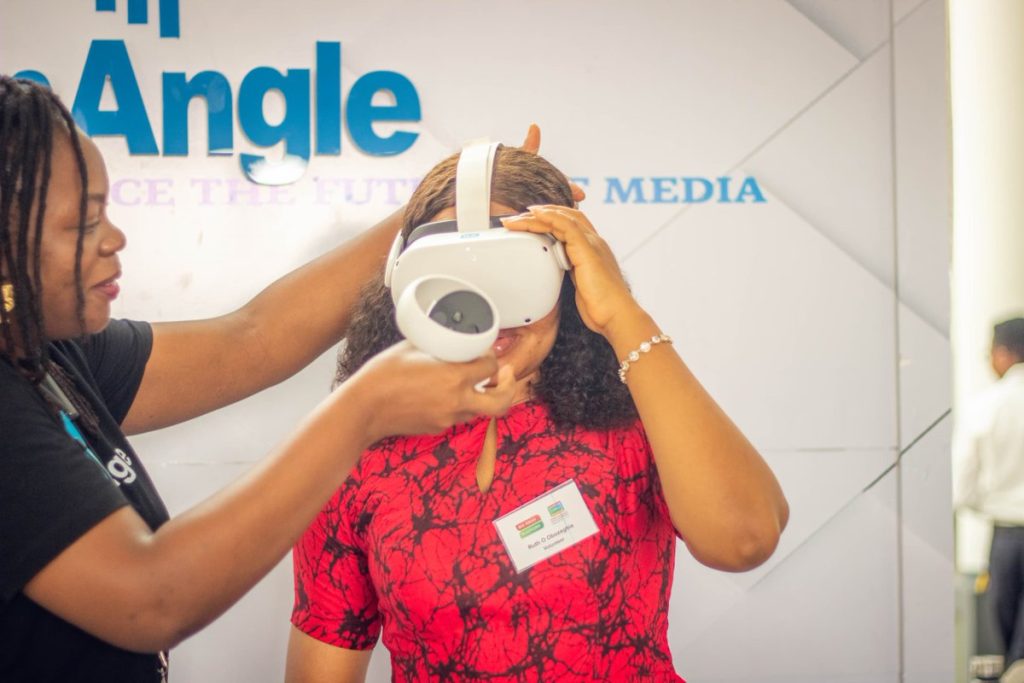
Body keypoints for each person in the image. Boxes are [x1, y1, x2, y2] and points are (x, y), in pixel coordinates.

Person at [0, 75, 527, 683]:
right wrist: (364, 409)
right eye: (85, 223)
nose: (115, 238)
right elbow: (153, 596)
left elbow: (254, 339)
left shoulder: (52, 353)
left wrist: (440, 207)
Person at [287, 146, 790, 682]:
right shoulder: (357, 456)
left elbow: (744, 539)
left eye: (513, 273)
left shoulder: (638, 420)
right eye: (454, 276)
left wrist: (621, 313)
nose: (490, 311)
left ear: (569, 272)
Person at [955, 317, 1024, 669]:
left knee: (1010, 637)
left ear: (1003, 353)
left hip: (1008, 535)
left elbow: (963, 486)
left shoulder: (985, 405)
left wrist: (991, 504)